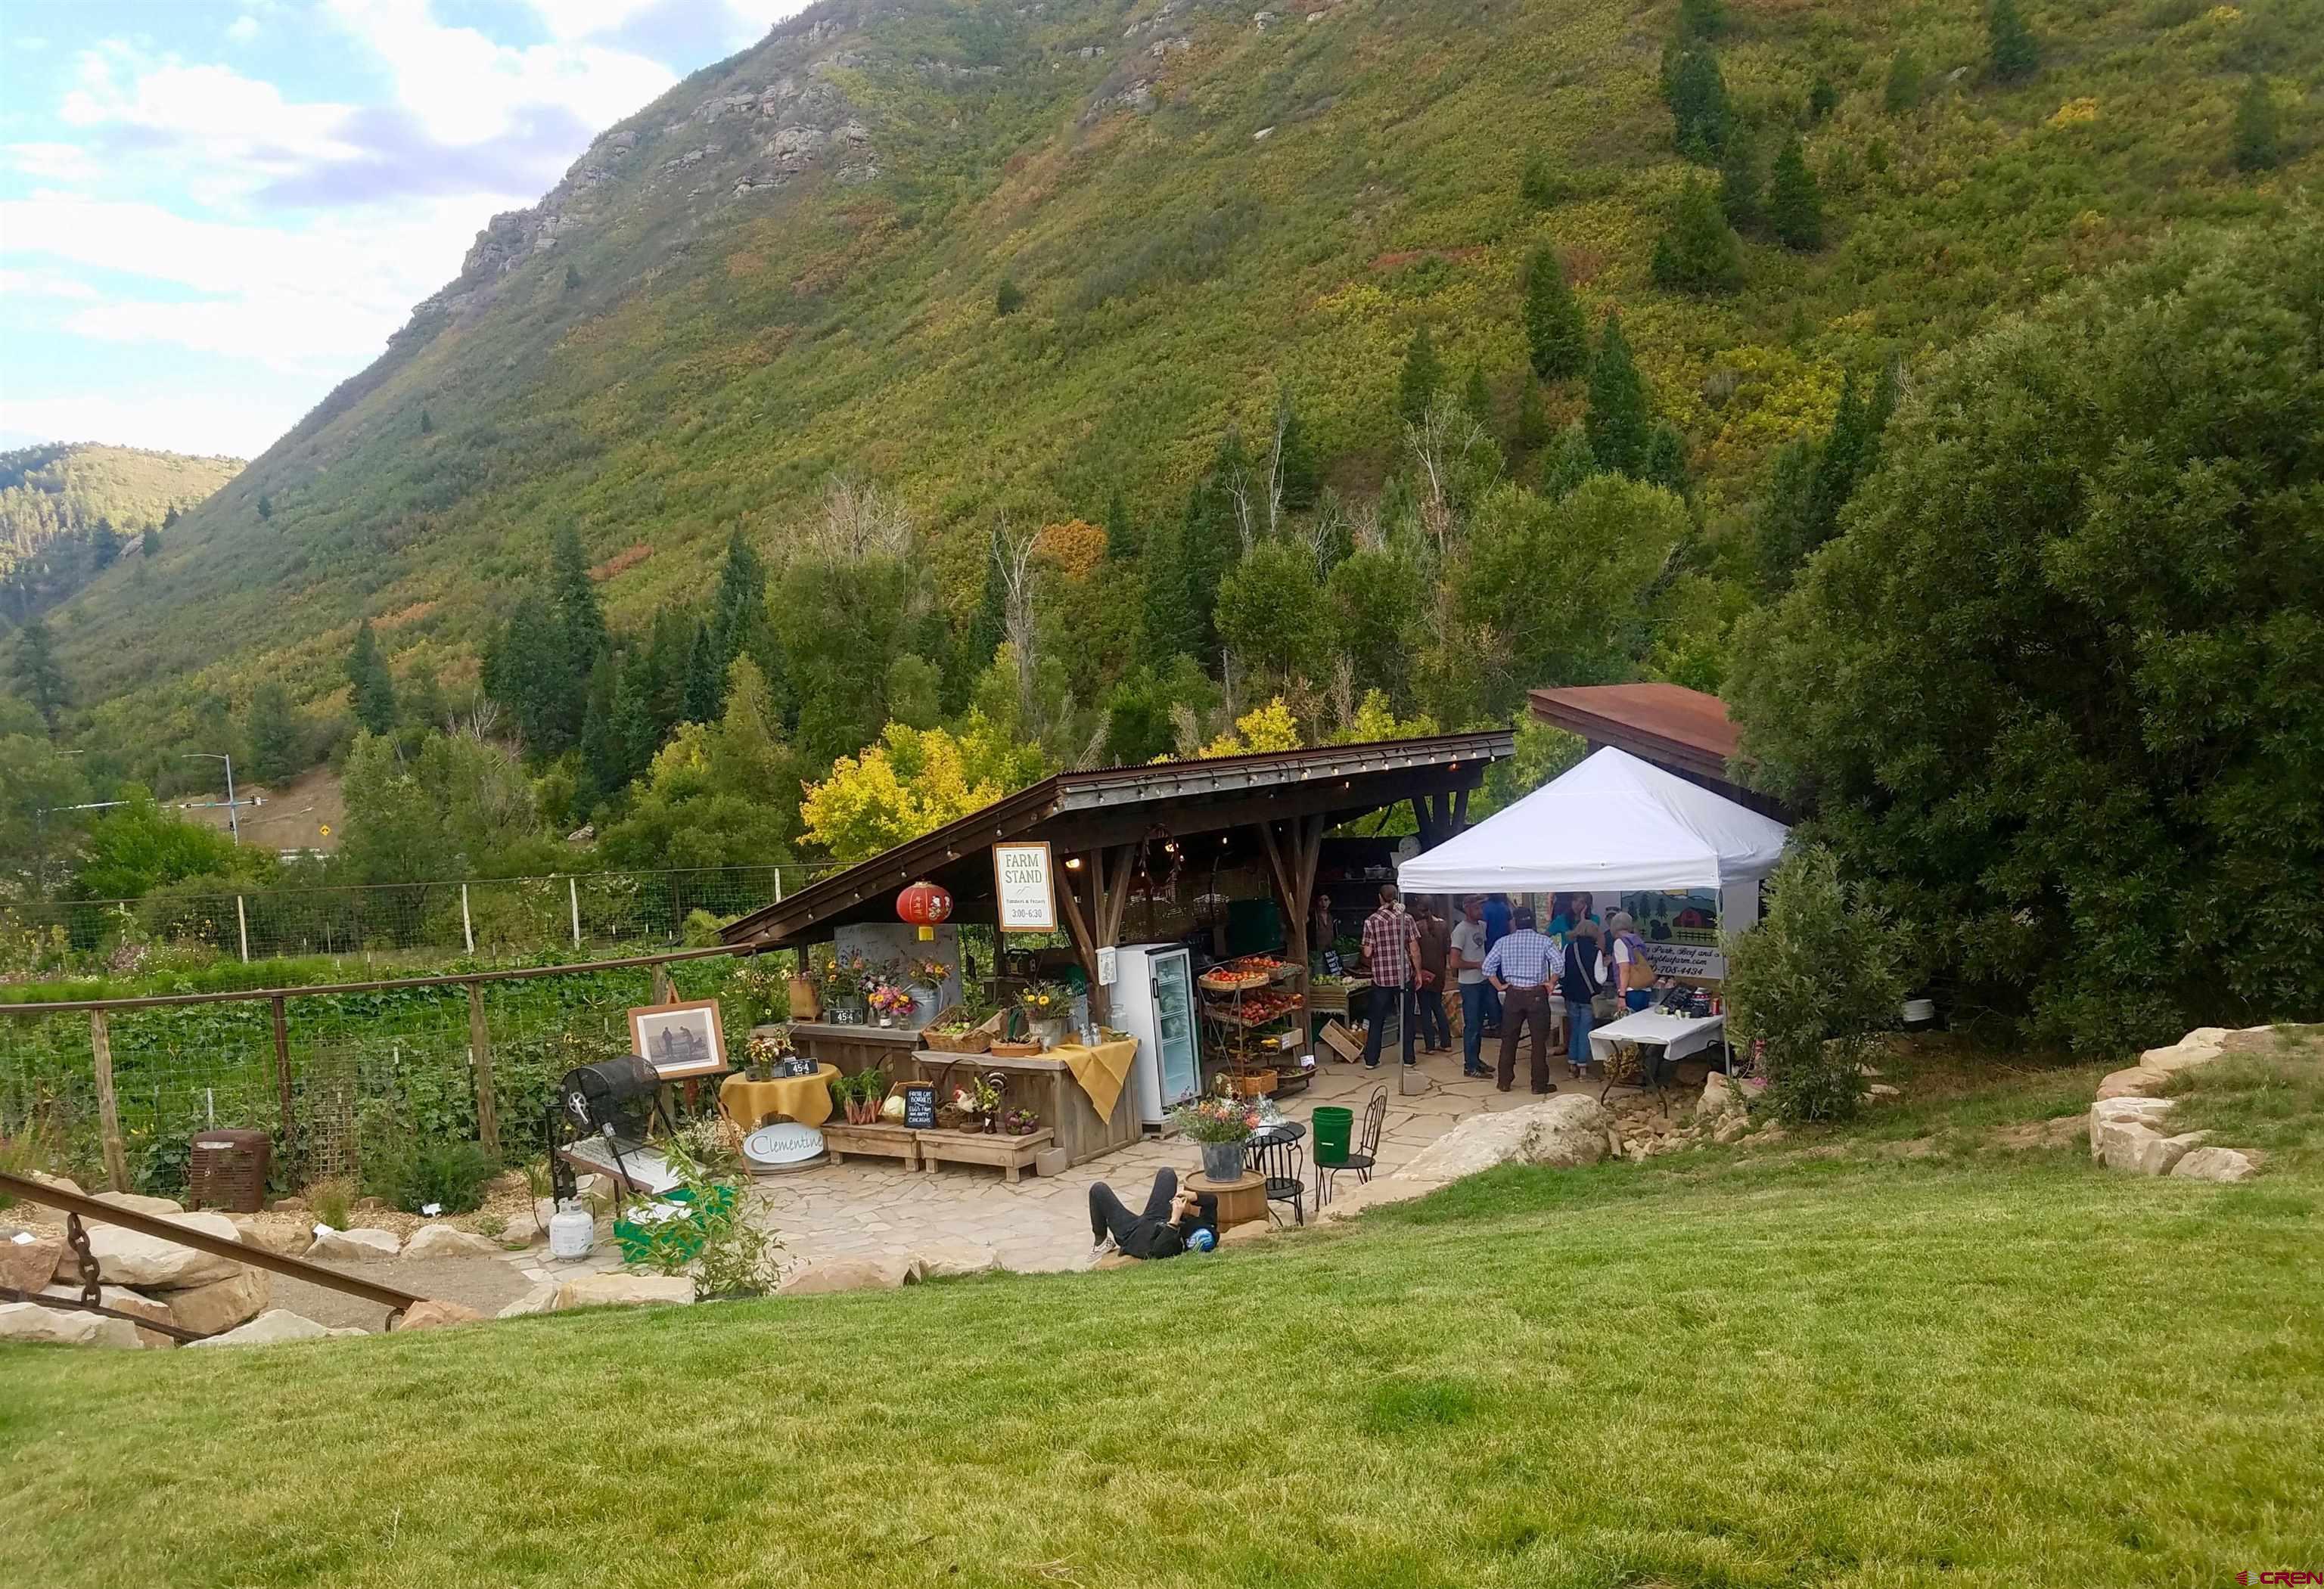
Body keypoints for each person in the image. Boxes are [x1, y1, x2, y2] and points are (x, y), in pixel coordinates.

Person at [1480, 905, 1561, 1095]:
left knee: (1509, 1039)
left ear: (1515, 923)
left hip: (1513, 994)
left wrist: (1499, 986)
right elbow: (1558, 963)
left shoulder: (1503, 942)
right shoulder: (1543, 941)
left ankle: (1504, 1081)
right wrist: (1550, 983)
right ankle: (1538, 1084)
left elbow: (1487, 967)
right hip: (1536, 994)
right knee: (1538, 1041)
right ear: (1532, 922)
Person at [1089, 1167, 1219, 1259]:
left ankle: (1101, 1242)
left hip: (1133, 1234)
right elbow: (1212, 1201)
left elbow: (1158, 1250)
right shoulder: (1209, 1230)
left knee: (1098, 1189)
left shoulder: (1177, 1246)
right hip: (1158, 1217)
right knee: (1167, 1173)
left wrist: (1175, 1219)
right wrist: (1194, 1197)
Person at [1359, 883, 1423, 1069]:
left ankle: (1371, 1059)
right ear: (1395, 896)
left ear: (1380, 898)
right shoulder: (1407, 918)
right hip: (1403, 976)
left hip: (1381, 979)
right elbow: (1414, 949)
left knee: (1377, 1018)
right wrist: (1418, 973)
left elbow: (1368, 953)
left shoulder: (1371, 921)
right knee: (1407, 1017)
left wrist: (1366, 946)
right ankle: (1408, 1058)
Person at [1448, 895, 1492, 1077]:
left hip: (1482, 981)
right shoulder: (1460, 931)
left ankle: (1476, 1059)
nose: (1481, 910)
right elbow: (1454, 962)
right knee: (1472, 1025)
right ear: (1467, 908)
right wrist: (1476, 965)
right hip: (1469, 984)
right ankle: (1470, 1065)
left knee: (1479, 1023)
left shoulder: (1482, 926)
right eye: (1477, 907)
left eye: (1482, 907)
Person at [1560, 917, 1610, 1077]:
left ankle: (1572, 1065)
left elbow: (1561, 972)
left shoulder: (1568, 948)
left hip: (1570, 995)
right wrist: (1606, 965)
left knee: (1574, 1029)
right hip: (1588, 998)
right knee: (1585, 1030)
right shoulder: (1596, 952)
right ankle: (1583, 1067)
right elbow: (1600, 978)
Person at [1411, 897, 1452, 1054]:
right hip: (1439, 972)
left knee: (1425, 1009)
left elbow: (1414, 951)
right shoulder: (1443, 925)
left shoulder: (1417, 927)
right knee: (1438, 1007)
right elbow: (1447, 949)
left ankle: (1430, 1045)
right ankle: (1446, 1042)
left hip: (1424, 972)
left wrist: (1417, 971)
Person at [1607, 909, 1656, 1013]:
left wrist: (1622, 996)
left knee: (1629, 1025)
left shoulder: (1620, 942)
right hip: (1645, 989)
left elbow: (1624, 970)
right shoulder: (1638, 940)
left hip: (1631, 991)